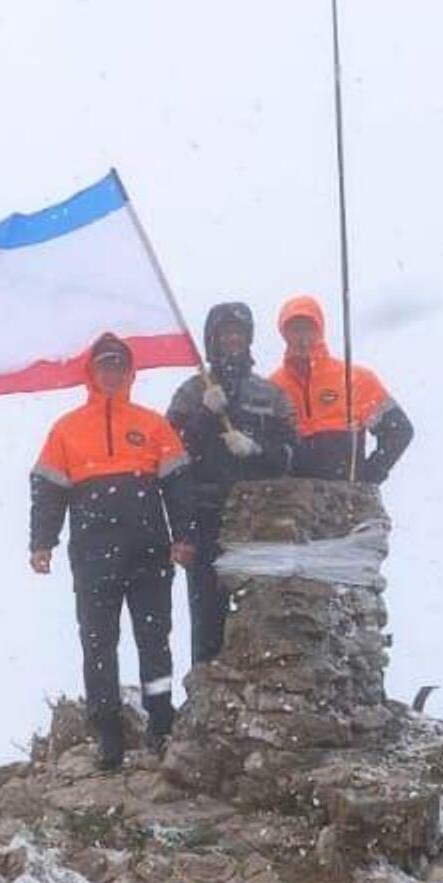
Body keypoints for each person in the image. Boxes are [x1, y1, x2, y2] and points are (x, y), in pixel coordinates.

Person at [29, 333, 197, 770]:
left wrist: (184, 536)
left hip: (149, 555)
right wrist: (41, 543)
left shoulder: (153, 424)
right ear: (92, 371)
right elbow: (47, 490)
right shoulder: (66, 429)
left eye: (119, 365)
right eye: (104, 364)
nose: (112, 372)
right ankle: (107, 734)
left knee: (154, 642)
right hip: (93, 558)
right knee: (98, 645)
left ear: (129, 371)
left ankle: (160, 722)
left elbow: (179, 485)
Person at [166, 301, 298, 666]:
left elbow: (291, 455)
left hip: (259, 518)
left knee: (265, 614)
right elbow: (170, 456)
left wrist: (256, 449)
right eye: (226, 333)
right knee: (208, 616)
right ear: (212, 339)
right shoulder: (191, 393)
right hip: (206, 516)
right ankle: (208, 698)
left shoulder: (271, 395)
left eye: (239, 332)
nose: (233, 339)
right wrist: (205, 416)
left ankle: (257, 699)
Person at [268, 294, 414, 484]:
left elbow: (399, 430)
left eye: (309, 329)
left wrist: (370, 476)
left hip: (348, 497)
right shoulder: (273, 388)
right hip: (295, 501)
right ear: (284, 334)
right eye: (295, 330)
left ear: (320, 330)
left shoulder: (355, 380)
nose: (303, 337)